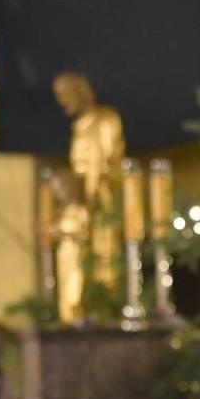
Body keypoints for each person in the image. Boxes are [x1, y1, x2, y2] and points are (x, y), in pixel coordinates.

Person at [53, 70, 126, 290]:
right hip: (80, 203)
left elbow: (103, 165)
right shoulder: (79, 126)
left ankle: (104, 302)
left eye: (66, 94)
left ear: (80, 92)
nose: (62, 101)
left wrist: (90, 200)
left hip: (101, 201)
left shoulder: (105, 120)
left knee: (104, 260)